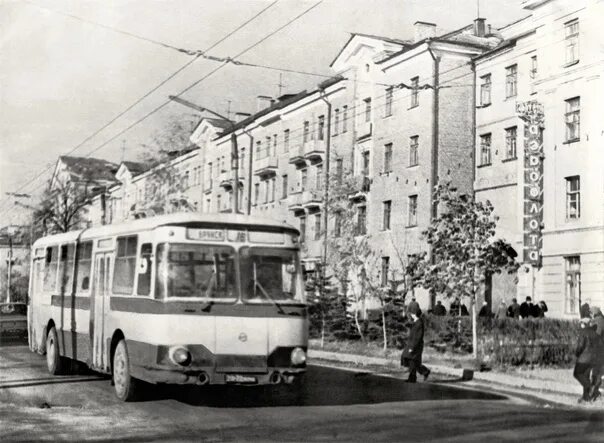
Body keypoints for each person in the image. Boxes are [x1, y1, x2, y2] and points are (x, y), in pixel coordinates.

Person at [401, 304, 430, 383]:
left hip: (416, 345)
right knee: (413, 361)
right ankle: (424, 372)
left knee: (412, 360)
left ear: (415, 314)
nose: (411, 315)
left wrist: (412, 347)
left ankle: (413, 378)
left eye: (412, 313)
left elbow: (418, 337)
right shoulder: (416, 322)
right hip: (413, 344)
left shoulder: (419, 323)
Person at [574, 317, 599, 403]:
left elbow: (580, 346)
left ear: (584, 324)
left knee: (577, 373)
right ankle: (586, 397)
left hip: (584, 358)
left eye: (581, 323)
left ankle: (590, 387)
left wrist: (577, 353)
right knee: (586, 376)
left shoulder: (583, 332)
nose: (580, 325)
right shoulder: (595, 334)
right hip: (594, 359)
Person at [589, 307, 604, 401]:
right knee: (598, 372)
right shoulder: (600, 320)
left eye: (590, 313)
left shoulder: (599, 321)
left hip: (599, 351)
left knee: (596, 372)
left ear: (594, 313)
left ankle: (591, 394)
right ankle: (595, 392)